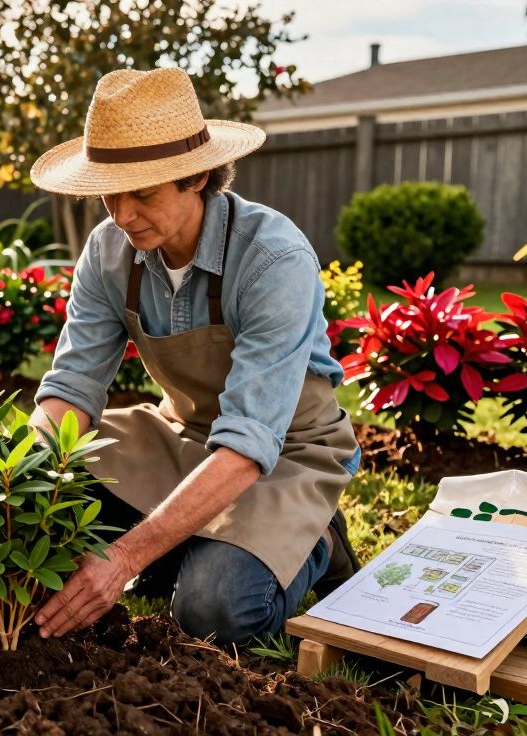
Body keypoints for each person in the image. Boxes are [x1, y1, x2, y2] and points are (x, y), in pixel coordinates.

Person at [26, 67, 362, 644]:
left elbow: (249, 440)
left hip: (282, 454)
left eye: (144, 193)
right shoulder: (109, 251)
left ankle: (318, 538)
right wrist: (22, 483)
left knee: (214, 612)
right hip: (178, 436)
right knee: (42, 520)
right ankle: (188, 541)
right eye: (111, 191)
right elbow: (74, 384)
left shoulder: (272, 259)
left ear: (198, 175)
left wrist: (126, 557)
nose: (122, 214)